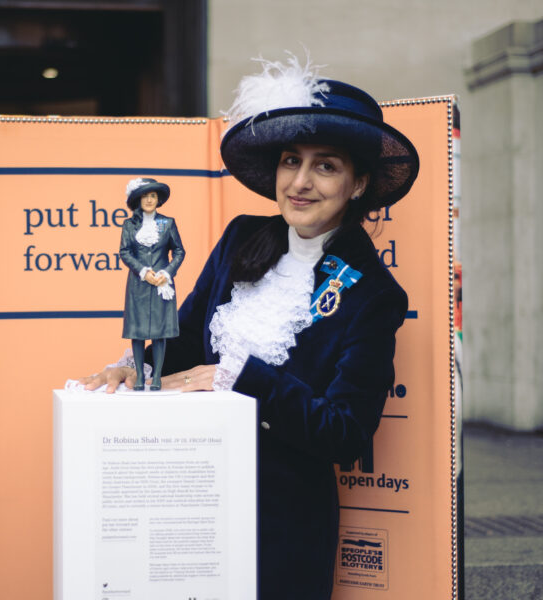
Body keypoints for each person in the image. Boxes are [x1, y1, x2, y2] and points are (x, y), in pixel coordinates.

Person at [78, 56, 419, 599]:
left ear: (358, 184)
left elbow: (345, 433)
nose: (300, 183)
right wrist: (134, 368)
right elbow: (185, 339)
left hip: (282, 523)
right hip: (188, 502)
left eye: (325, 166)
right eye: (291, 161)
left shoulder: (372, 294)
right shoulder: (241, 236)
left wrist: (238, 376)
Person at [119, 177, 185, 390]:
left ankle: (156, 376)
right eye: (145, 196)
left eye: (153, 196)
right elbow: (125, 252)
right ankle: (139, 375)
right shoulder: (130, 225)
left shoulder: (168, 223)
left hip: (161, 284)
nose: (149, 200)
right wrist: (143, 271)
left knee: (159, 332)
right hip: (138, 285)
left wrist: (167, 272)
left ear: (158, 200)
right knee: (137, 332)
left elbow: (179, 251)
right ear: (138, 199)